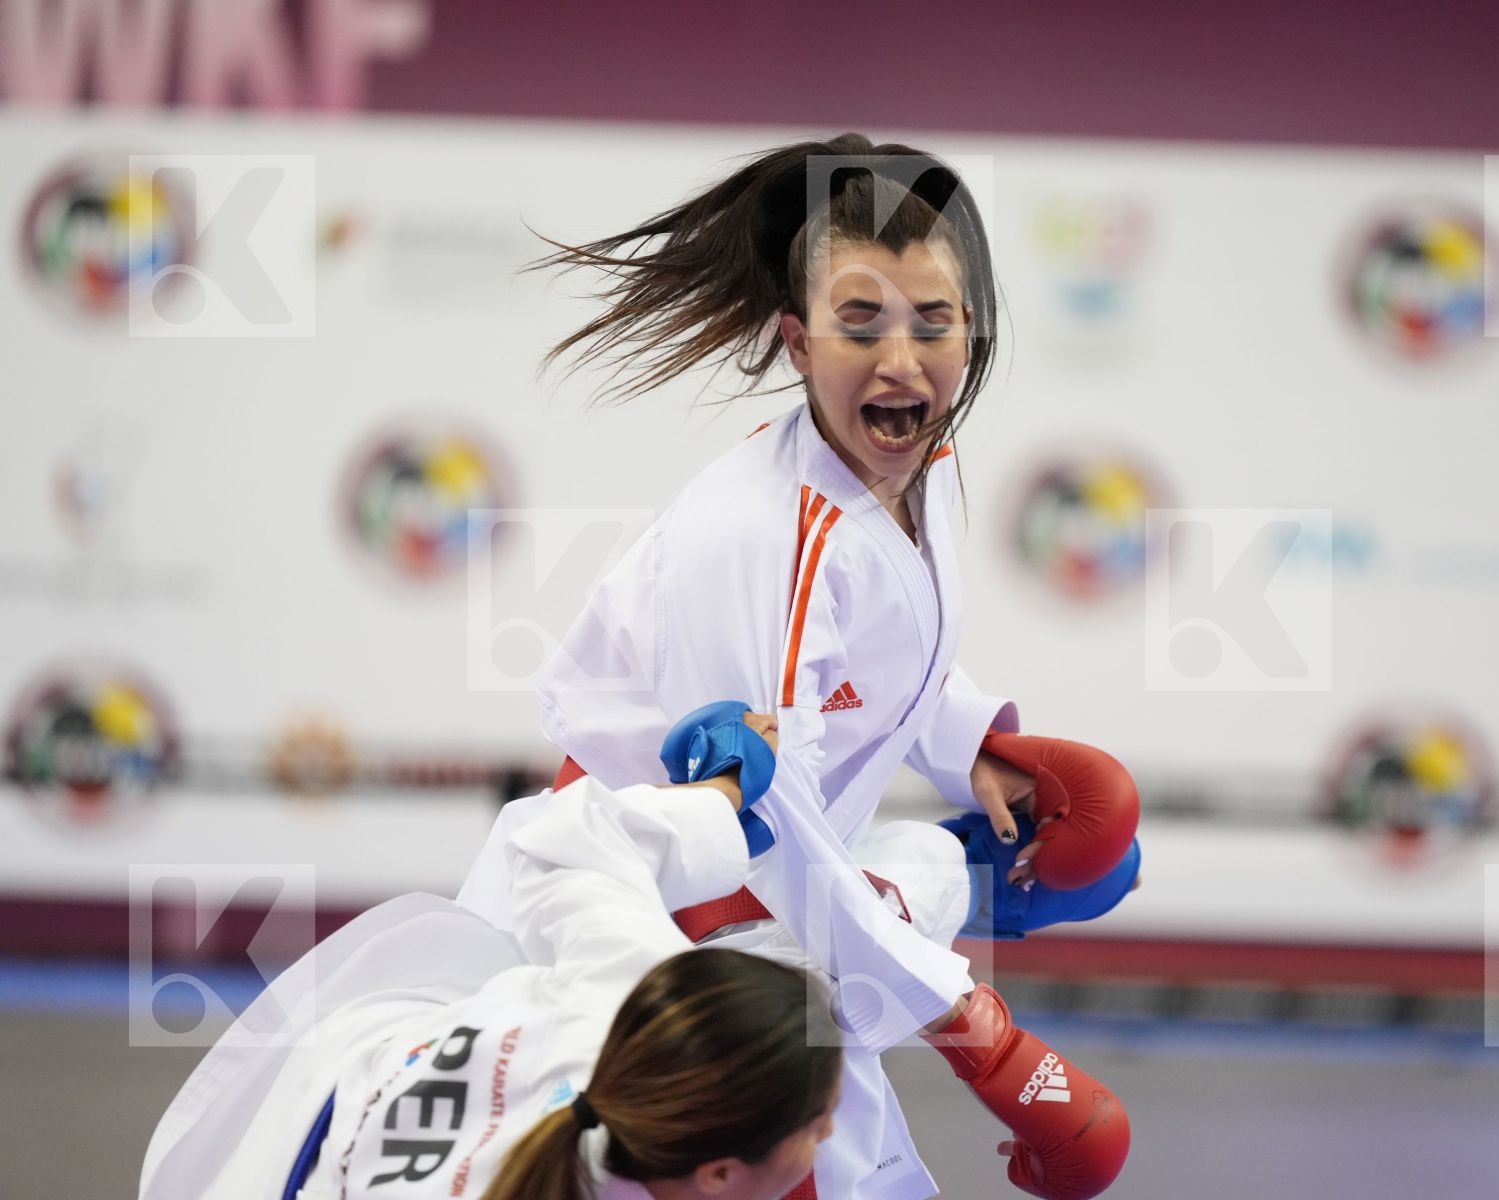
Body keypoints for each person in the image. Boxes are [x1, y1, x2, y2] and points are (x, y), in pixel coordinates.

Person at [457, 133, 1137, 1200]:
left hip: (767, 919)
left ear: (975, 331)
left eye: (933, 322)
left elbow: (876, 661)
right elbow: (772, 832)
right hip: (659, 922)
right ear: (797, 341)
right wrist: (989, 1044)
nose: (900, 361)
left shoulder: (914, 466)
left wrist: (977, 747)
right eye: (859, 323)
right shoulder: (758, 540)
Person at [141, 709, 844, 1200]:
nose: (832, 1130)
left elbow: (575, 842)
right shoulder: (620, 1004)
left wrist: (718, 795)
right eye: (817, 1128)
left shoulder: (629, 1001)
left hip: (346, 1076)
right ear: (719, 1175)